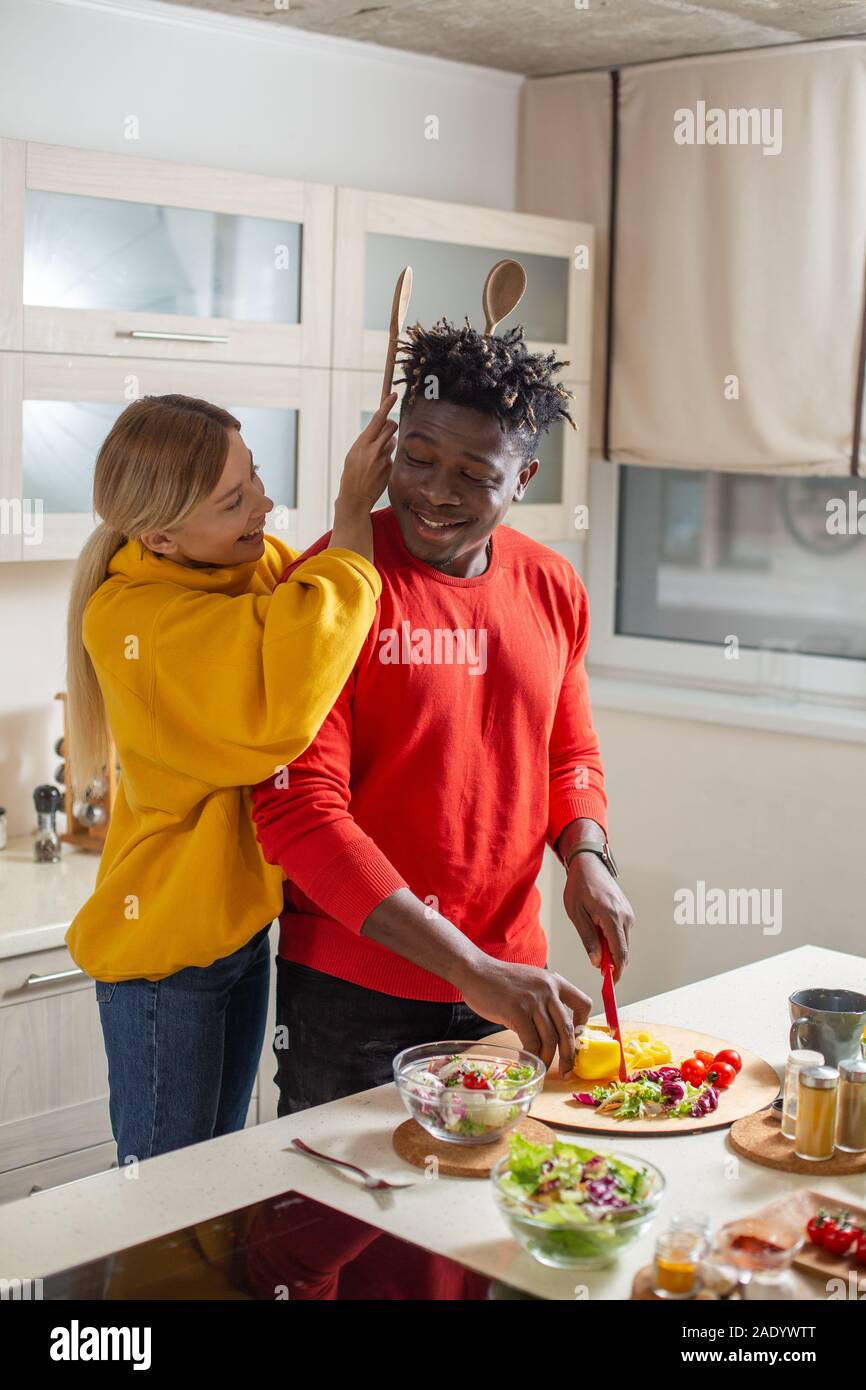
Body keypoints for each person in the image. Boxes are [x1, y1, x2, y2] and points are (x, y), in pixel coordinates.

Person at [251, 321, 635, 1113]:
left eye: (474, 473)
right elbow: (298, 811)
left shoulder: (552, 586)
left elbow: (571, 756)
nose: (436, 491)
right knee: (340, 1223)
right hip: (354, 998)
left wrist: (587, 855)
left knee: (485, 1214)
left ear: (523, 476)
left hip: (513, 979)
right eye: (418, 458)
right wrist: (468, 968)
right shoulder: (334, 588)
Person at [65, 391, 397, 1162]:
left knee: (215, 1182)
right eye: (234, 500)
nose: (265, 505)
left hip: (238, 934)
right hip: (165, 959)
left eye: (255, 477)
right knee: (160, 1206)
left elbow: (310, 608)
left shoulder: (247, 565)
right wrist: (353, 509)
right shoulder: (134, 620)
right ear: (161, 535)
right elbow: (277, 715)